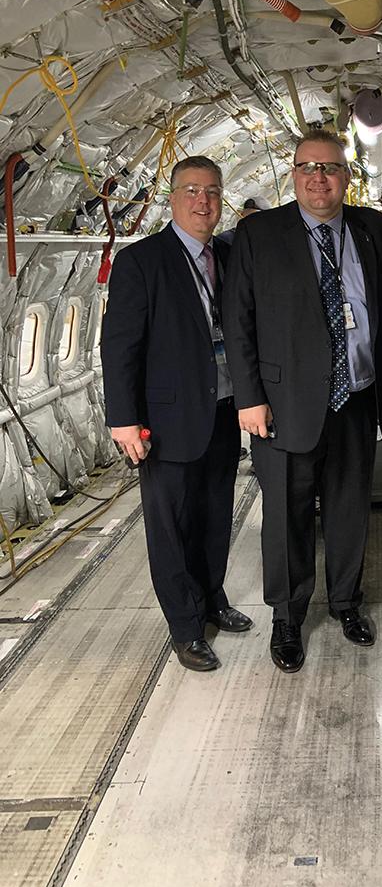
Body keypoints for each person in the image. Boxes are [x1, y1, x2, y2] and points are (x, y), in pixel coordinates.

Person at [222, 129, 382, 673]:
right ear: (293, 174)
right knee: (287, 513)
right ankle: (287, 616)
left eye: (329, 168)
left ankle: (346, 602)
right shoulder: (259, 234)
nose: (319, 178)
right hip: (282, 404)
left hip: (354, 396)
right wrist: (250, 398)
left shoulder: (373, 228)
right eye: (308, 167)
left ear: (347, 176)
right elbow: (239, 324)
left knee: (351, 506)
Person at [101, 156, 252, 672]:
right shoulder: (143, 260)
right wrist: (123, 420)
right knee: (170, 526)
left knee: (214, 516)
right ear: (172, 196)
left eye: (212, 191)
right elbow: (119, 346)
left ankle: (213, 600)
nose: (203, 201)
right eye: (192, 190)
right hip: (166, 419)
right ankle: (185, 628)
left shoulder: (228, 255)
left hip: (223, 408)